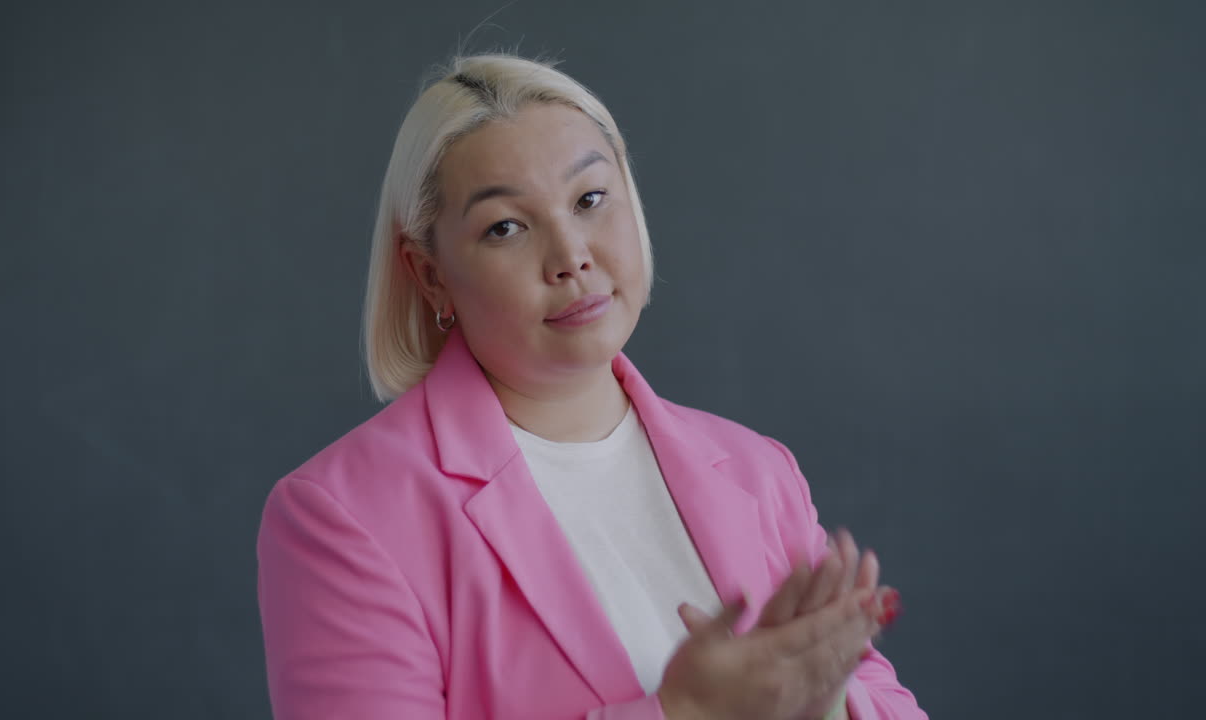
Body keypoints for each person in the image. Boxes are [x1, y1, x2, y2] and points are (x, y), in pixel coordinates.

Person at [256, 52, 927, 720]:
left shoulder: (760, 470)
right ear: (430, 274)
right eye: (506, 227)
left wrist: (826, 702)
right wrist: (683, 711)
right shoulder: (342, 516)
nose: (571, 254)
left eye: (590, 199)